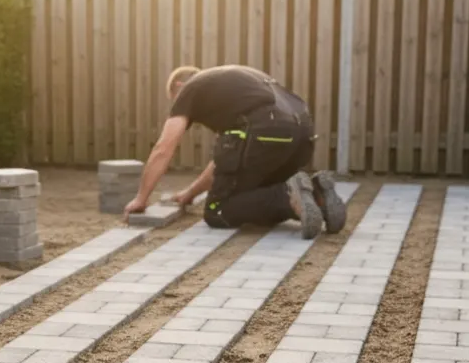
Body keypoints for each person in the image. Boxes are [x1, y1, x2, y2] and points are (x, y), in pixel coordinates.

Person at [122, 64, 345, 240]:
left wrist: (141, 198)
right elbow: (223, 162)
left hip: (266, 131)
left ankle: (288, 199)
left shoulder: (191, 89)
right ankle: (317, 195)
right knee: (253, 192)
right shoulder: (234, 85)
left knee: (218, 210)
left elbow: (164, 147)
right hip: (302, 135)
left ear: (180, 86)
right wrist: (191, 193)